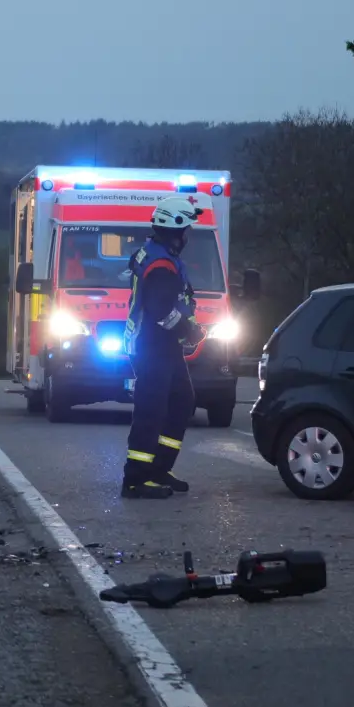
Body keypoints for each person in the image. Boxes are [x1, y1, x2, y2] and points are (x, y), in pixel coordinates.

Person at [121, 195, 204, 499]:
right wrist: (189, 330)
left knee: (182, 401)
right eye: (187, 229)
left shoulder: (160, 255)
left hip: (163, 348)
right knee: (151, 411)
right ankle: (135, 480)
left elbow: (177, 301)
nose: (188, 236)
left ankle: (158, 469)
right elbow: (161, 312)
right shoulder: (160, 265)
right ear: (176, 229)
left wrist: (188, 325)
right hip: (153, 346)